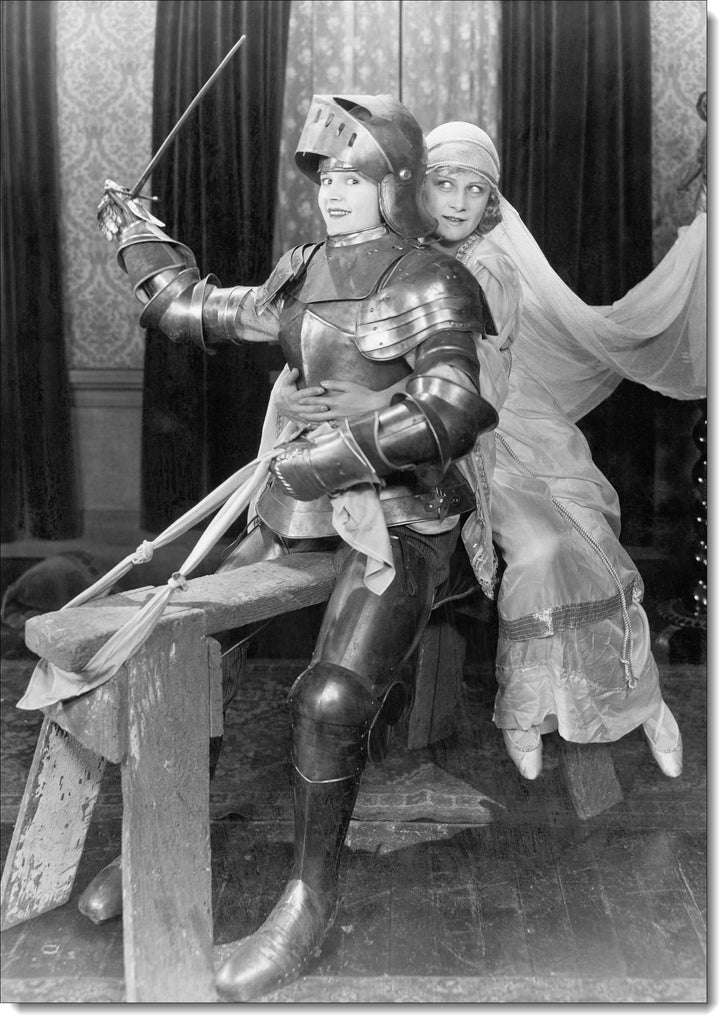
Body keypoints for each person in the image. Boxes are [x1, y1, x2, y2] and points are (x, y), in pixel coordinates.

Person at [82, 95, 500, 1001]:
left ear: (395, 184)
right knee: (185, 654)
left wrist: (334, 454)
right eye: (327, 178)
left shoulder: (429, 277)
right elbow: (194, 309)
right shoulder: (304, 268)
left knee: (330, 695)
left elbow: (456, 406)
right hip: (300, 512)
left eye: (355, 177)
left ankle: (310, 902)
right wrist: (137, 235)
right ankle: (159, 846)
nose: (336, 193)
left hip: (401, 517)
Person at [278, 120, 706, 783]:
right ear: (415, 189)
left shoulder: (491, 267)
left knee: (558, 546)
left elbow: (481, 388)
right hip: (412, 429)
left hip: (492, 427)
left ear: (491, 202)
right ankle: (530, 707)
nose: (456, 202)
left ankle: (604, 706)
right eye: (444, 183)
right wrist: (308, 391)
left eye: (474, 191)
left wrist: (378, 402)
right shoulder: (399, 251)